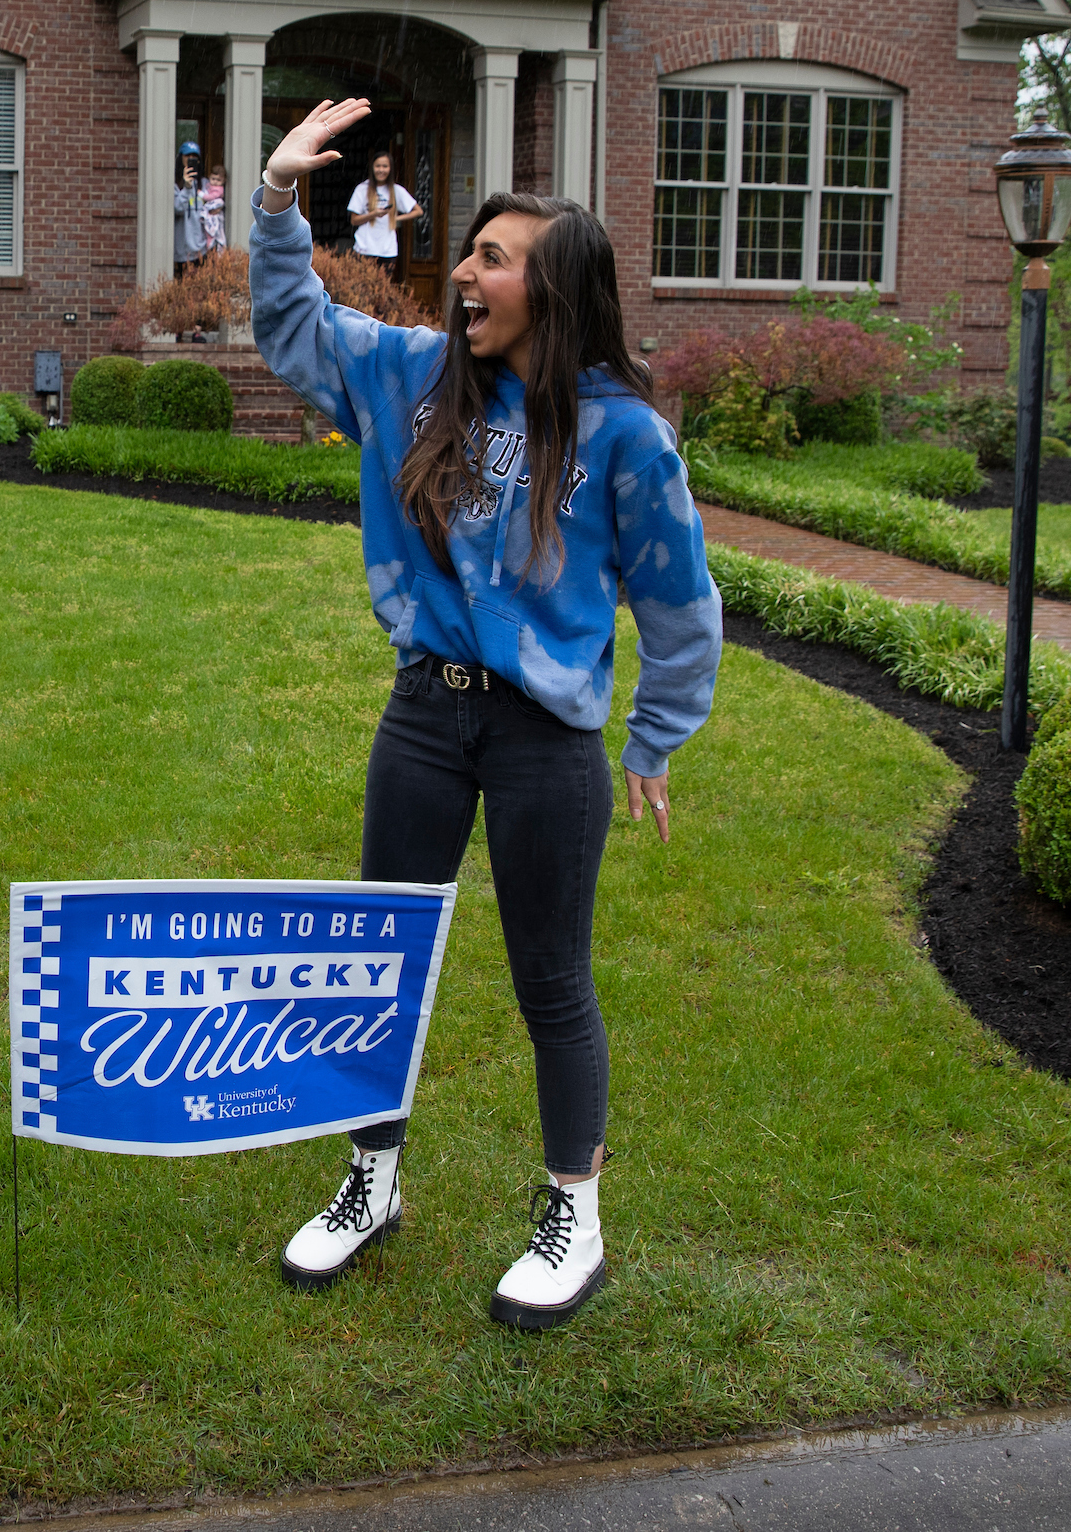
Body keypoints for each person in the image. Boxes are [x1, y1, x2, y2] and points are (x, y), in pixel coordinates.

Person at [247, 98, 720, 1330]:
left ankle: (576, 1215)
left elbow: (680, 604)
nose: (464, 269)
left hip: (544, 740)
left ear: (552, 293)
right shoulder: (410, 376)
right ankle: (370, 1182)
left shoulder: (623, 437)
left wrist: (654, 739)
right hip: (423, 716)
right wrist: (280, 200)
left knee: (551, 982)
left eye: (494, 257)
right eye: (470, 249)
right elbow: (292, 325)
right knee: (375, 964)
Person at [347, 149, 422, 274]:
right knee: (363, 288)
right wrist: (374, 214)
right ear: (372, 168)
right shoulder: (362, 189)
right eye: (378, 166)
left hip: (387, 250)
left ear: (390, 169)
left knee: (382, 290)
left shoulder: (396, 190)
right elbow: (354, 220)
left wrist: (396, 218)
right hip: (364, 249)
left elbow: (418, 211)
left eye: (385, 166)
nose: (381, 170)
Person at [173, 139, 208, 276]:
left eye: (194, 157)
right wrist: (187, 188)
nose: (191, 159)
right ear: (180, 158)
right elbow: (178, 209)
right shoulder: (176, 185)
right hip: (182, 251)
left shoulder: (204, 184)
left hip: (201, 249)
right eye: (187, 156)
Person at [199, 164, 229, 253]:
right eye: (213, 179)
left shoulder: (219, 190)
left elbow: (210, 197)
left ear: (224, 180)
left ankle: (211, 239)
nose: (215, 182)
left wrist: (201, 195)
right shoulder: (207, 185)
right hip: (208, 208)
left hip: (215, 208)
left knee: (214, 226)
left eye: (218, 180)